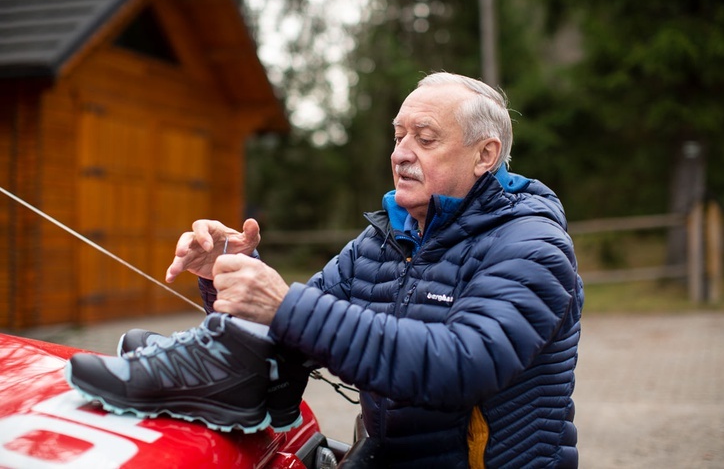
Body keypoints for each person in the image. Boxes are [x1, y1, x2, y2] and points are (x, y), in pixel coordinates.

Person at [67, 72, 584, 468]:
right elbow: (293, 334)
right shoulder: (386, 237)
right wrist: (229, 271)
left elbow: (462, 364)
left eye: (424, 139)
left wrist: (285, 303)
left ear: (485, 155)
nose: (401, 153)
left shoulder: (531, 244)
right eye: (398, 136)